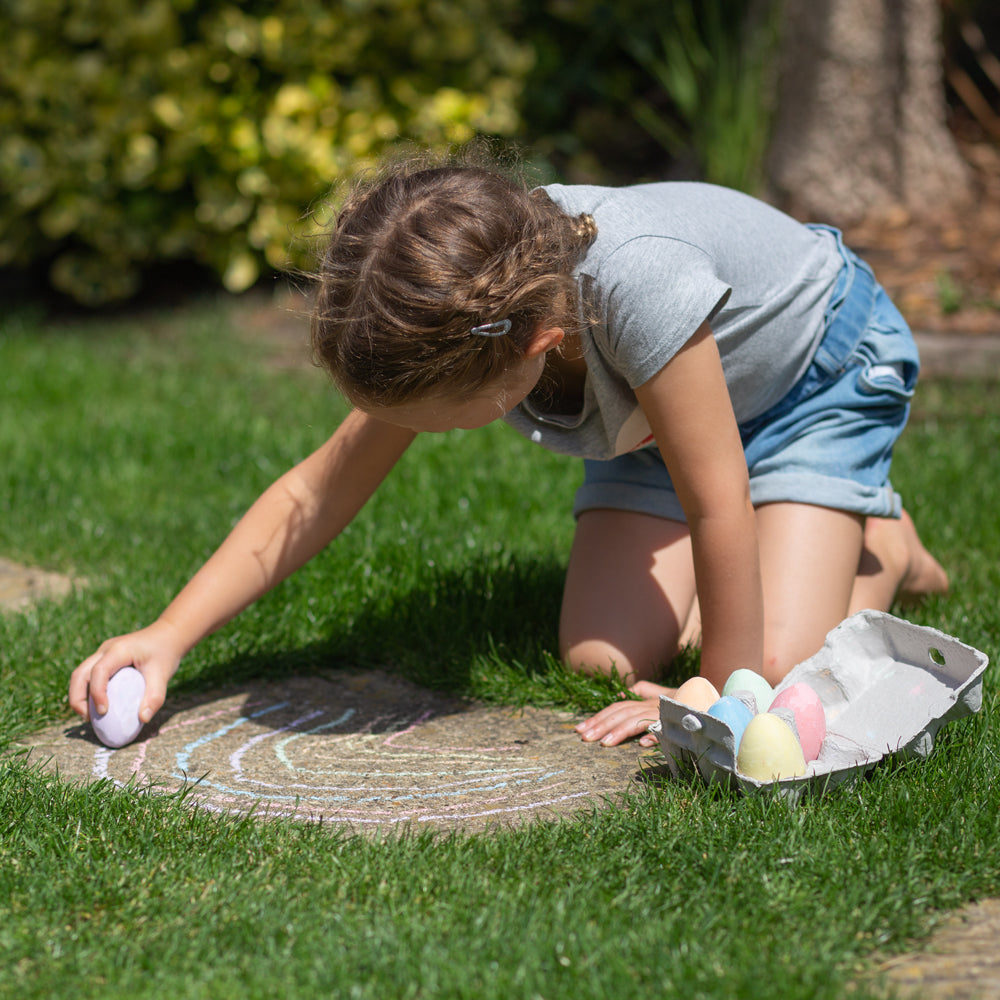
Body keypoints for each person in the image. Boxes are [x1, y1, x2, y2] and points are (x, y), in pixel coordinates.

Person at [69, 150, 948, 749]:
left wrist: (720, 686)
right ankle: (803, 530)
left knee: (776, 670)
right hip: (658, 426)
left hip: (810, 378)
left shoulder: (637, 288)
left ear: (528, 353)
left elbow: (716, 502)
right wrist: (169, 634)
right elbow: (314, 493)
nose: (422, 435)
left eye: (436, 419)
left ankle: (880, 537)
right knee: (599, 659)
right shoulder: (464, 303)